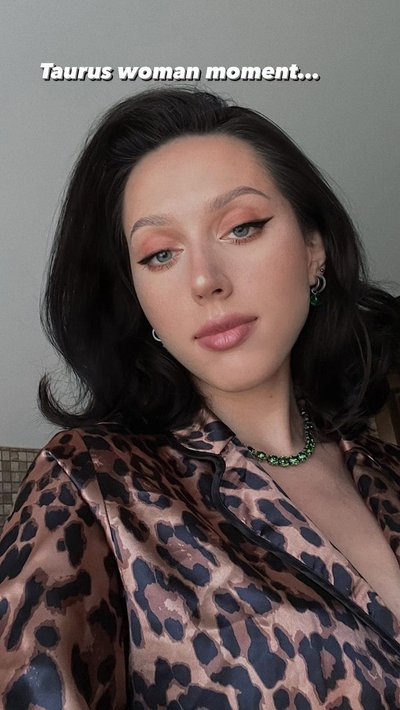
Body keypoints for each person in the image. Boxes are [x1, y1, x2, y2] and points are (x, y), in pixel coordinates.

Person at [1, 87, 400, 709]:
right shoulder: (92, 483)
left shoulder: (386, 469)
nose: (205, 279)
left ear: (314, 249)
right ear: (138, 297)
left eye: (242, 228)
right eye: (160, 254)